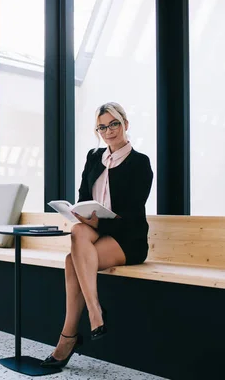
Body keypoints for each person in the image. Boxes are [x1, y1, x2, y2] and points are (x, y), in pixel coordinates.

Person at [41, 102, 154, 368]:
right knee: (78, 230)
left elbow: (132, 214)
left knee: (72, 261)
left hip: (129, 239)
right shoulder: (94, 158)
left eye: (113, 124)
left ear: (125, 124)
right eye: (102, 127)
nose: (108, 131)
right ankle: (92, 313)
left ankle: (71, 334)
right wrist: (81, 216)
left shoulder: (140, 163)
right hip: (95, 233)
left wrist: (97, 225)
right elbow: (83, 197)